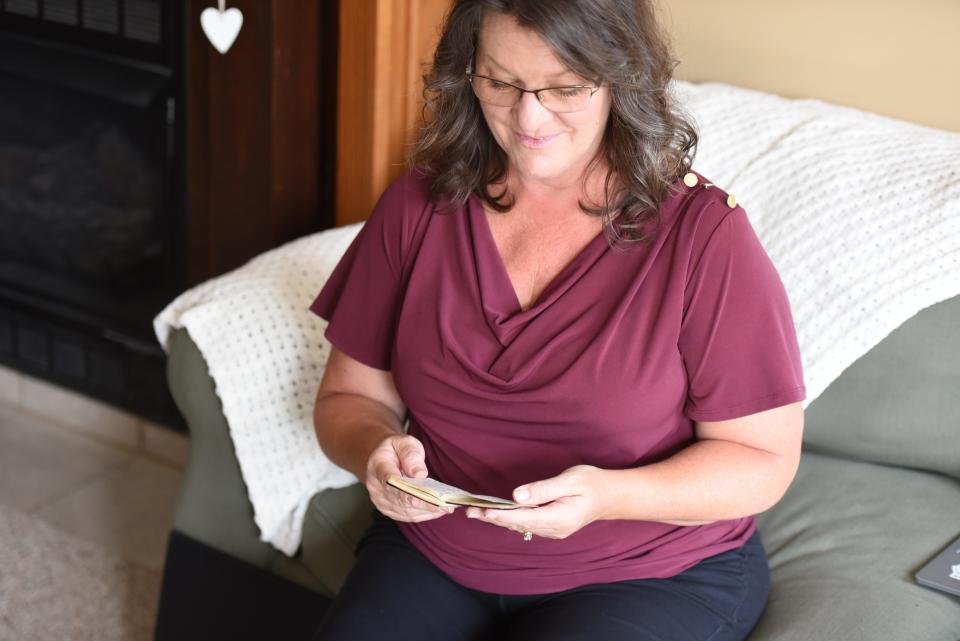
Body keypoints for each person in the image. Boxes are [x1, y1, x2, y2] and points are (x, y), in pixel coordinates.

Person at [309, 1, 805, 639]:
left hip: (649, 572)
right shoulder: (419, 204)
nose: (528, 117)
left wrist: (609, 497)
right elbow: (350, 395)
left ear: (621, 80)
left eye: (565, 88)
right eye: (500, 82)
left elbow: (763, 458)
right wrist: (374, 452)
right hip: (437, 551)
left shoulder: (705, 236)